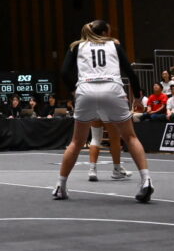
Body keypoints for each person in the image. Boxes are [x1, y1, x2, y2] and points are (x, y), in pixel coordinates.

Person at [55, 20, 153, 203]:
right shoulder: (114, 45)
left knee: (77, 141)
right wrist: (138, 97)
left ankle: (61, 186)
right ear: (105, 32)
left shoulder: (77, 46)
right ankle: (146, 180)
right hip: (112, 88)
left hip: (86, 89)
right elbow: (130, 72)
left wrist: (74, 90)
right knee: (130, 137)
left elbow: (64, 73)